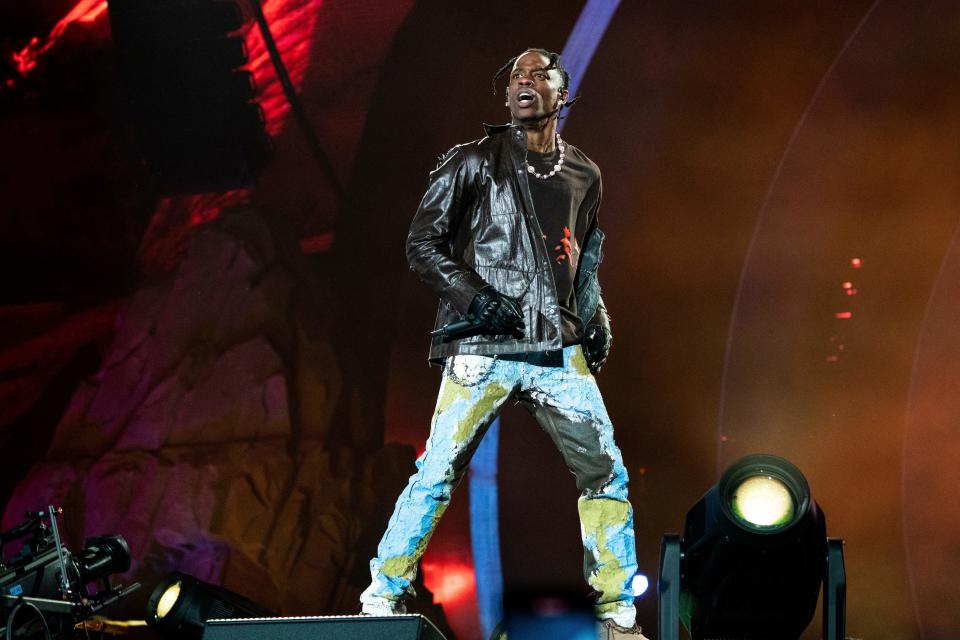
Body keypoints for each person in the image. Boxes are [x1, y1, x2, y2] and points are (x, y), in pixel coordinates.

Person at [360, 48, 645, 639]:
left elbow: (583, 259)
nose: (525, 81)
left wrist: (596, 320)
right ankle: (382, 594)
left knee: (606, 472)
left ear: (562, 93)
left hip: (556, 348)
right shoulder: (474, 162)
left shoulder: (584, 173)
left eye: (539, 74)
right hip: (484, 347)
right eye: (516, 75)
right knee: (437, 469)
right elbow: (422, 243)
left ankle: (617, 612)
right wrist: (474, 299)